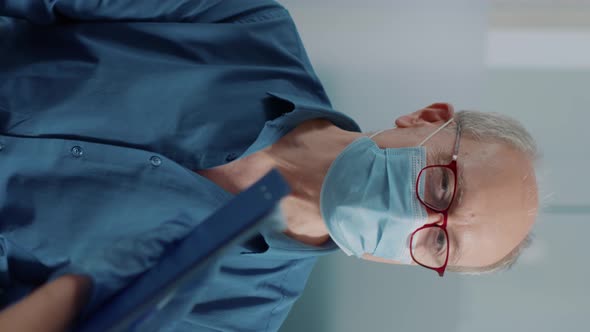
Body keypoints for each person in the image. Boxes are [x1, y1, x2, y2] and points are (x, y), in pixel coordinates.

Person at [0, 0, 538, 331]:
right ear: (426, 118)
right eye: (443, 187)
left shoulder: (226, 318)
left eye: (438, 244)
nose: (414, 220)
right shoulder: (246, 26)